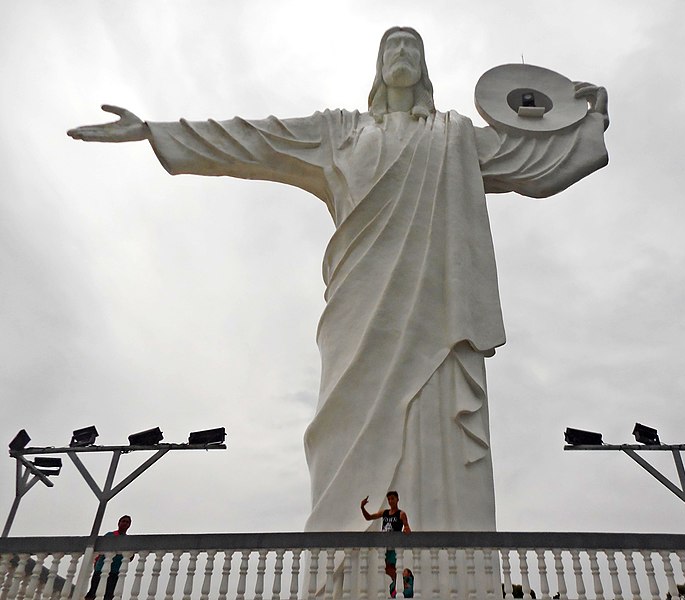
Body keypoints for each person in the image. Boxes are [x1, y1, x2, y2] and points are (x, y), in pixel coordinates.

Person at [67, 27, 609, 535]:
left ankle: (452, 567)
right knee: (346, 430)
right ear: (378, 65)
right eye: (392, 45)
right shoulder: (338, 132)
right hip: (360, 307)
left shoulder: (455, 136)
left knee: (435, 418)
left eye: (412, 46)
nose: (402, 52)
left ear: (423, 67)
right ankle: (343, 568)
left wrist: (589, 122)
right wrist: (153, 131)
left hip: (437, 311)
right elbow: (255, 140)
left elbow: (537, 163)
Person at [361, 492, 411, 597]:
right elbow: (369, 517)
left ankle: (402, 582)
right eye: (389, 499)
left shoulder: (401, 514)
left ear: (397, 499)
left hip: (393, 545)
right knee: (387, 568)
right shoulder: (385, 513)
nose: (390, 501)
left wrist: (406, 529)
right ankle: (400, 582)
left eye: (392, 498)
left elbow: (407, 527)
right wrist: (362, 507)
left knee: (389, 567)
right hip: (384, 545)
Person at [85, 515, 131, 600]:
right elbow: (99, 550)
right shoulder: (110, 535)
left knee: (109, 594)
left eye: (127, 522)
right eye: (123, 521)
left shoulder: (128, 540)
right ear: (119, 523)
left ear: (129, 525)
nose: (125, 523)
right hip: (101, 568)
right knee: (93, 592)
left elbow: (130, 557)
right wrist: (96, 563)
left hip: (115, 571)